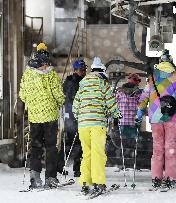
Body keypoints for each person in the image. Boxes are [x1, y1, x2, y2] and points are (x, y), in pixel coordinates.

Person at [135, 49, 176, 189]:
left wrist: (139, 114)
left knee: (157, 149)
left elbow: (143, 98)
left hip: (155, 116)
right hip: (172, 116)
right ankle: (171, 178)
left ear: (159, 62)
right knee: (170, 148)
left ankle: (156, 178)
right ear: (171, 62)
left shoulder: (152, 77)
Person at [72, 57, 121, 196]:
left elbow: (76, 105)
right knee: (98, 153)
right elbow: (111, 101)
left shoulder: (82, 83)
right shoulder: (102, 83)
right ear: (102, 71)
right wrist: (117, 114)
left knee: (87, 154)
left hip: (83, 125)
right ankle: (99, 182)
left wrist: (80, 117)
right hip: (97, 123)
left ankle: (85, 182)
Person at [19, 49, 65, 189]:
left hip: (34, 118)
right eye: (45, 63)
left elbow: (22, 95)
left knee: (35, 147)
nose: (46, 65)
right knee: (51, 147)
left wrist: (33, 103)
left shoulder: (27, 74)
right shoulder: (51, 74)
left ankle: (35, 177)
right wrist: (61, 101)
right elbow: (58, 93)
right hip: (50, 117)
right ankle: (50, 178)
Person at [57, 59, 87, 177]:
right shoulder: (73, 82)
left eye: (85, 69)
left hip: (73, 114)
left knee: (74, 141)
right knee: (74, 142)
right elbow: (72, 99)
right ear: (75, 70)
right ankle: (72, 167)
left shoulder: (75, 81)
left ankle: (72, 167)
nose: (84, 72)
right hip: (72, 115)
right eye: (81, 70)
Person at [116, 73, 142, 138]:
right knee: (133, 144)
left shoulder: (119, 91)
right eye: (138, 80)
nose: (138, 82)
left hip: (122, 122)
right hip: (133, 123)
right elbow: (141, 106)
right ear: (135, 80)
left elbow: (115, 105)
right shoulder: (138, 93)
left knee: (123, 143)